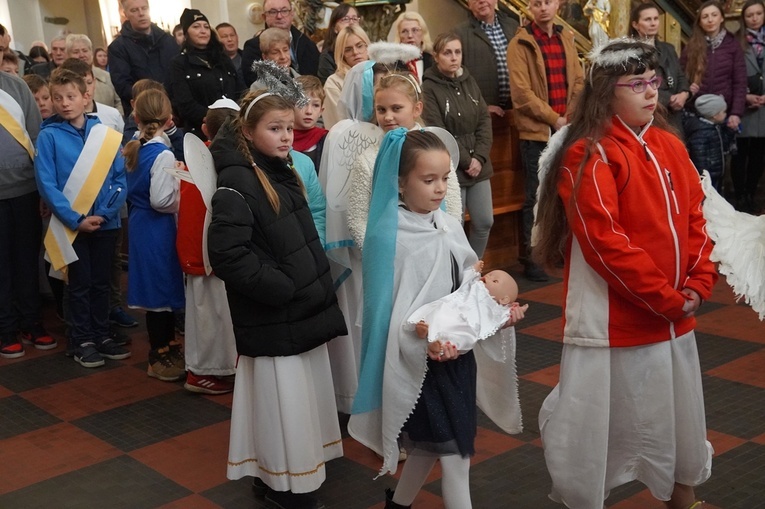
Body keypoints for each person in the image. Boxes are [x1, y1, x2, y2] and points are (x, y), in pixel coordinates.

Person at [533, 38, 717, 509]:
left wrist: (697, 283)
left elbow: (699, 218)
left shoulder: (668, 144)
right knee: (600, 429)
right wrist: (667, 298)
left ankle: (683, 497)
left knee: (675, 415)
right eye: (635, 84)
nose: (650, 92)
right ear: (604, 91)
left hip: (673, 313)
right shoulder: (589, 153)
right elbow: (604, 244)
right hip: (617, 321)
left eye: (653, 81)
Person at [347, 129, 525, 509]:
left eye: (446, 178)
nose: (441, 188)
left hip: (454, 360)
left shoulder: (444, 224)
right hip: (419, 363)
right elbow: (383, 310)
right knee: (456, 455)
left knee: (434, 446)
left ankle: (398, 504)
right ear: (398, 182)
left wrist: (496, 314)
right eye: (429, 180)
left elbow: (466, 290)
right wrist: (423, 339)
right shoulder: (387, 236)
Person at [207, 89, 346, 509]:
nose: (286, 136)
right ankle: (290, 489)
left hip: (294, 313)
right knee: (282, 405)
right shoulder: (238, 182)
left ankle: (272, 477)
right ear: (247, 132)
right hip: (276, 314)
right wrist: (282, 287)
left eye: (289, 127)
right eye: (275, 128)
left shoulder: (278, 169)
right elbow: (227, 254)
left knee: (291, 404)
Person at [35, 68, 130, 368]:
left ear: (86, 96)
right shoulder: (48, 135)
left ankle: (102, 334)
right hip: (71, 226)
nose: (64, 103)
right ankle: (81, 339)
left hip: (105, 223)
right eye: (58, 98)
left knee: (102, 282)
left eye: (71, 97)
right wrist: (75, 218)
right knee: (79, 284)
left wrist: (104, 213)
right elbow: (47, 184)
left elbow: (119, 178)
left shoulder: (105, 133)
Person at [507, 0, 585, 281]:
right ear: (529, 7)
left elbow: (578, 81)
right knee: (535, 196)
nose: (543, 8)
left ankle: (560, 250)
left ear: (558, 5)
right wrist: (554, 118)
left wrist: (569, 116)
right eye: (536, 3)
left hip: (566, 130)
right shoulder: (521, 43)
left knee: (566, 193)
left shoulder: (566, 37)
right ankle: (534, 257)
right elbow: (522, 93)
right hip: (537, 133)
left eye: (548, 2)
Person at [348, 72, 463, 250]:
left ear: (417, 109)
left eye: (396, 108)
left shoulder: (434, 149)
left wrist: (446, 243)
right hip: (392, 251)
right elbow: (358, 218)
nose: (387, 117)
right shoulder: (368, 160)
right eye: (381, 109)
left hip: (437, 244)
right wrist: (383, 254)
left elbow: (453, 204)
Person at [122, 89, 186, 381]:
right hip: (156, 226)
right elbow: (162, 200)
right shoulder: (162, 153)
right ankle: (159, 353)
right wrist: (182, 191)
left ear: (136, 116)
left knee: (158, 289)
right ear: (169, 118)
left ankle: (167, 345)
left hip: (141, 223)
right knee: (160, 291)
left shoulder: (136, 145)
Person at [422, 33, 496, 258]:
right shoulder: (429, 87)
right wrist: (466, 160)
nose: (454, 58)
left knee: (484, 221)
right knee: (454, 224)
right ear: (436, 56)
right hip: (452, 165)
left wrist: (480, 157)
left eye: (457, 52)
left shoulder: (469, 81)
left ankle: (473, 268)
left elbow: (484, 120)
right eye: (447, 53)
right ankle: (455, 274)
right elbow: (439, 129)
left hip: (478, 163)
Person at [0, 68, 54, 358]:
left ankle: (32, 322)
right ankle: (6, 328)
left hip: (24, 189)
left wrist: (42, 190)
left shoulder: (17, 87)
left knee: (26, 261)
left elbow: (36, 138)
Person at [681, 0, 746, 188]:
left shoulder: (732, 46)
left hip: (722, 115)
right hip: (696, 116)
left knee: (718, 165)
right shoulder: (692, 46)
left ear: (722, 18)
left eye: (714, 15)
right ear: (700, 21)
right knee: (698, 164)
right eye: (705, 16)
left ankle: (718, 204)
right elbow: (681, 75)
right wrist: (688, 90)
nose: (710, 20)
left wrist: (736, 113)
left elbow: (739, 82)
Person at [409, 260, 527, 355]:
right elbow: (466, 281)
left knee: (465, 339)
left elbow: (500, 319)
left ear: (504, 299)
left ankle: (439, 346)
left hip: (468, 326)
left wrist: (514, 312)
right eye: (489, 274)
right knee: (438, 313)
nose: (488, 278)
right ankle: (424, 328)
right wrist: (474, 270)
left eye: (494, 281)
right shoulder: (475, 285)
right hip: (452, 309)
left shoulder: (495, 308)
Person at [167, 8, 244, 141]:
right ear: (186, 33)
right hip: (200, 133)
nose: (203, 31)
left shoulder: (223, 59)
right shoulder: (180, 63)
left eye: (206, 27)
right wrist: (216, 118)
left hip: (234, 129)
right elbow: (185, 104)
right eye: (196, 27)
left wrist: (234, 116)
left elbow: (240, 91)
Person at [108, 0, 180, 114]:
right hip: (143, 113)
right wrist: (152, 101)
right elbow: (123, 86)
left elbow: (179, 75)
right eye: (134, 10)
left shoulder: (168, 40)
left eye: (144, 8)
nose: (141, 13)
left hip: (175, 111)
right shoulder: (118, 47)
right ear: (125, 14)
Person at [630, 2, 691, 134]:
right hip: (649, 113)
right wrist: (669, 99)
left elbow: (680, 76)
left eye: (655, 19)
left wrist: (684, 94)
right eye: (647, 19)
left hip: (674, 115)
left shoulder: (668, 48)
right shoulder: (630, 52)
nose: (653, 23)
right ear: (635, 25)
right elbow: (635, 83)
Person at [455, 0, 520, 116]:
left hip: (516, 111)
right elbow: (456, 80)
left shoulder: (513, 26)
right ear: (469, 3)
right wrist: (481, 106)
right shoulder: (459, 34)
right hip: (483, 116)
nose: (482, 1)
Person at [733, 0, 765, 213]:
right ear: (743, 19)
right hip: (744, 105)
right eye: (749, 15)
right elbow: (730, 74)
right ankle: (739, 194)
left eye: (758, 13)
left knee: (759, 155)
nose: (754, 18)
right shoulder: (736, 42)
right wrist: (745, 96)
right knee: (740, 154)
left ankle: (751, 194)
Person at [241, 0, 321, 85]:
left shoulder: (307, 44)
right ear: (264, 17)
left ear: (292, 14)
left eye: (284, 11)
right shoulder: (253, 47)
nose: (279, 16)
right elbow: (255, 83)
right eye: (273, 12)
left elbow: (316, 80)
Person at [323, 25, 371, 129]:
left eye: (359, 46)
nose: (355, 52)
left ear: (367, 47)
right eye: (348, 50)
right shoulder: (333, 82)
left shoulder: (382, 74)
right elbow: (339, 123)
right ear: (342, 54)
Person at [59, 58, 124, 133]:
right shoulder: (59, 120)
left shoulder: (113, 114)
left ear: (94, 82)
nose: (86, 89)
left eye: (89, 82)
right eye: (80, 84)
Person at [65, 34, 123, 116]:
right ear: (68, 55)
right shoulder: (62, 79)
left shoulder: (106, 76)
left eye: (85, 51)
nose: (82, 55)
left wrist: (113, 119)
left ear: (91, 52)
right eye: (76, 52)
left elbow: (119, 102)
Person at [317, 3, 362, 84]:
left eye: (355, 19)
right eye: (345, 19)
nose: (351, 22)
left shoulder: (368, 49)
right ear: (335, 28)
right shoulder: (327, 57)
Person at [388, 12, 435, 83]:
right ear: (399, 36)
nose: (410, 35)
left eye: (415, 30)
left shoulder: (433, 62)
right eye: (404, 31)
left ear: (423, 34)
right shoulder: (392, 65)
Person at [294, 75, 328, 172]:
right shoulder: (281, 139)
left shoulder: (326, 139)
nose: (309, 111)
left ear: (321, 111)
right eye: (303, 104)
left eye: (316, 105)